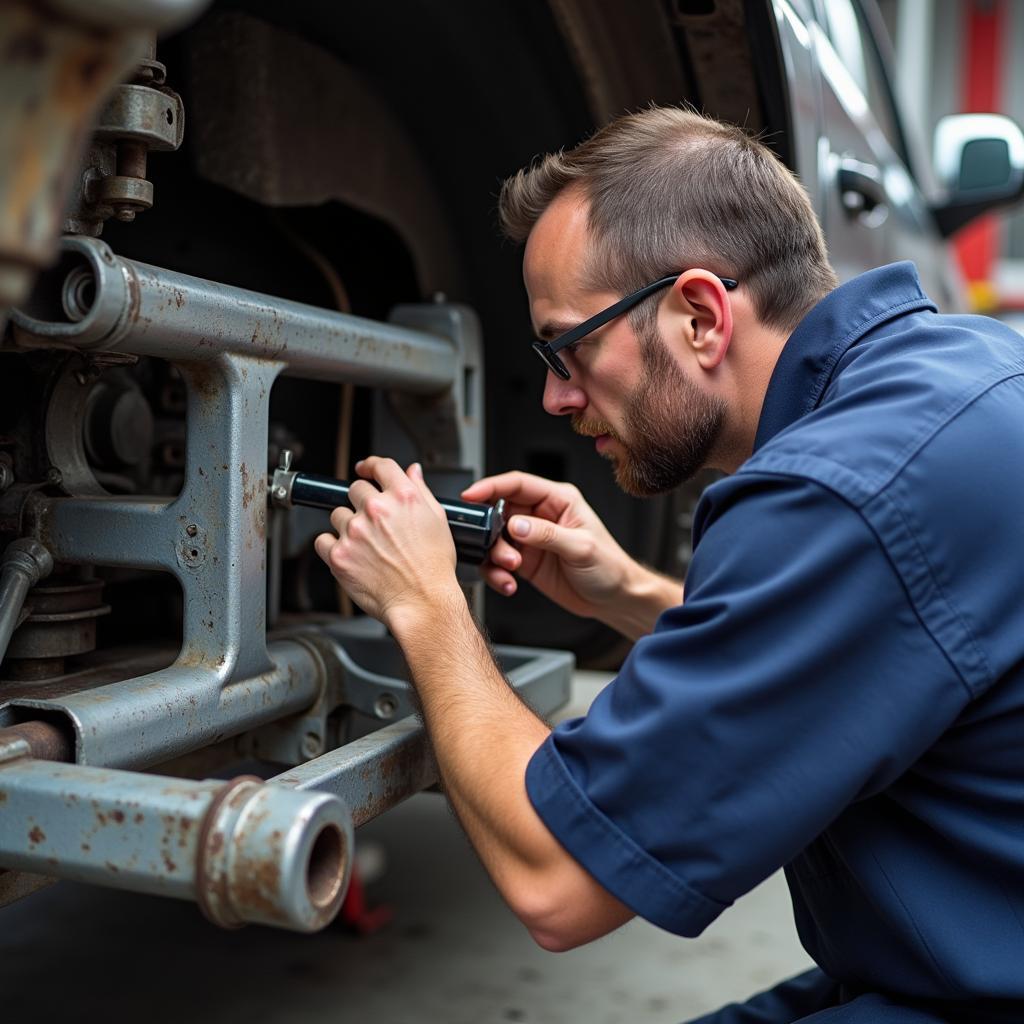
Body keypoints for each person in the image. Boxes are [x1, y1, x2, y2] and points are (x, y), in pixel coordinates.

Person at [313, 107, 1024, 1023]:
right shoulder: (966, 364)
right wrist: (634, 595)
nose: (556, 397)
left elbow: (559, 881)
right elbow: (867, 650)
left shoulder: (833, 494)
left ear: (699, 314)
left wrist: (425, 603)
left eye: (569, 347)